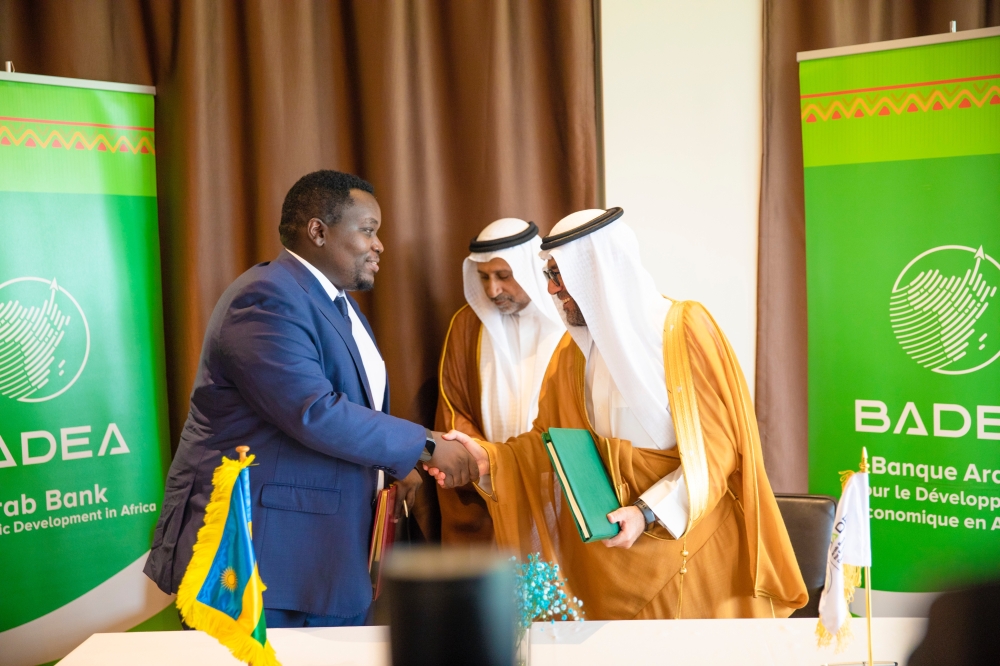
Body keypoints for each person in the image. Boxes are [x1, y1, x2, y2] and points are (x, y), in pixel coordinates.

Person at [428, 208, 807, 620]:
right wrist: (491, 459)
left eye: (559, 274)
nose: (551, 288)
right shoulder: (572, 353)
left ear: (598, 271)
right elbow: (548, 443)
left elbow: (718, 449)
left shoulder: (684, 329)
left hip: (691, 550)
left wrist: (647, 512)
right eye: (549, 275)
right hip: (611, 562)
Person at [144, 170, 478, 628]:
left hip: (321, 557)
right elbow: (314, 411)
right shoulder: (266, 298)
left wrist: (390, 467)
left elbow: (350, 408)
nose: (379, 245)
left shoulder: (335, 302)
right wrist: (425, 445)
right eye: (368, 230)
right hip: (263, 560)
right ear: (318, 231)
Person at [434, 218, 565, 544]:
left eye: (504, 276)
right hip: (492, 489)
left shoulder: (569, 320)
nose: (492, 290)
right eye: (484, 277)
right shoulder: (467, 325)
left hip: (562, 490)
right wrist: (492, 462)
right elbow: (454, 409)